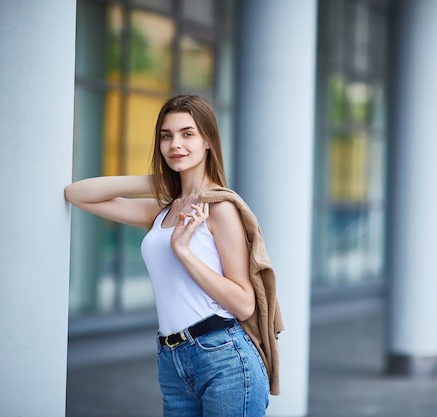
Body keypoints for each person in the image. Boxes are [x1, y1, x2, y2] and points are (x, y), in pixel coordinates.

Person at [65, 94, 282, 416]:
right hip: (172, 358)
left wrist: (184, 252)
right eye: (166, 136)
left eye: (187, 134)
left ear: (208, 140)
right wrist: (160, 179)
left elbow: (244, 302)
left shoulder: (219, 207)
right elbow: (77, 194)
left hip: (223, 355)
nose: (175, 144)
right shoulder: (165, 208)